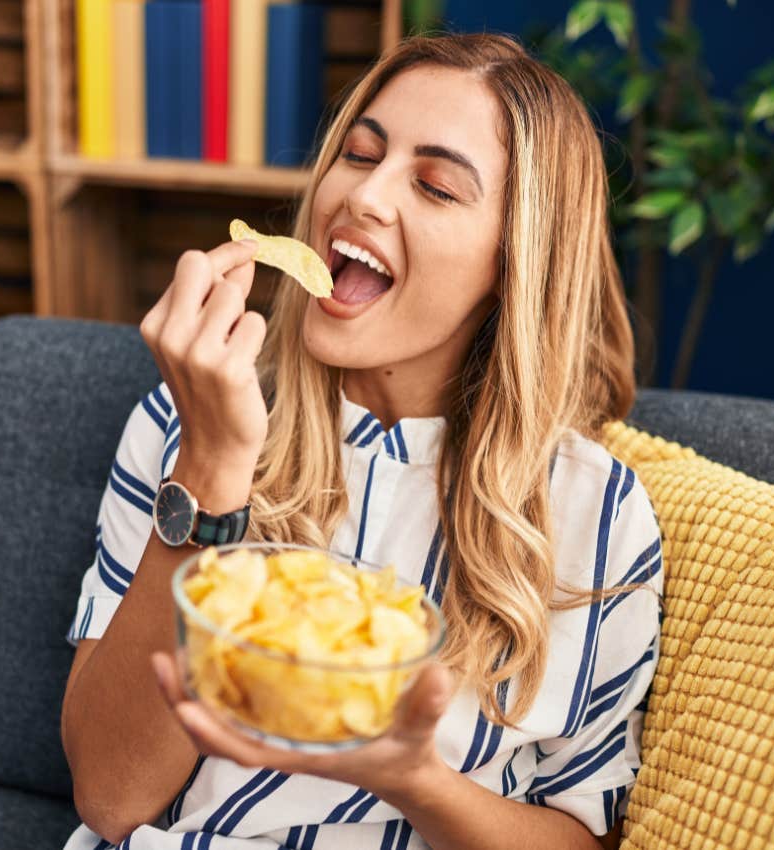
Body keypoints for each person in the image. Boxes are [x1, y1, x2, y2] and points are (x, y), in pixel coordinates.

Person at [60, 31, 663, 850]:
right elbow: (108, 796)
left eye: (436, 186)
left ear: (515, 261)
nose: (365, 197)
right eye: (357, 153)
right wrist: (211, 467)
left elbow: (579, 836)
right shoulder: (182, 422)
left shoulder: (598, 513)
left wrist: (404, 776)